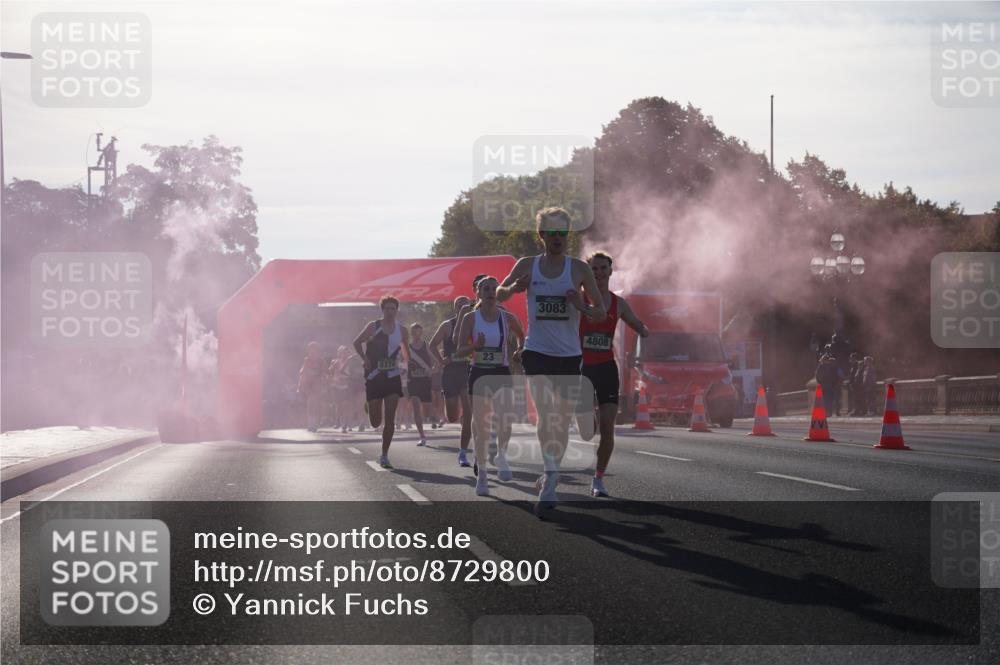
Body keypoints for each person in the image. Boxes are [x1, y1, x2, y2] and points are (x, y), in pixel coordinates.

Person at [496, 206, 606, 513]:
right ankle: (552, 478)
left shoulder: (579, 270)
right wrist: (513, 287)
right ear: (542, 234)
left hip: (569, 355)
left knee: (561, 420)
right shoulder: (527, 265)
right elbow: (501, 293)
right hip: (537, 351)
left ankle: (550, 473)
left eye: (563, 233)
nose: (557, 238)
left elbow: (600, 310)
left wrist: (580, 305)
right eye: (552, 233)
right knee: (545, 415)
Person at [577, 251, 649, 497]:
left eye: (602, 269)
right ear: (588, 272)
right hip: (582, 369)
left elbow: (635, 322)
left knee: (608, 426)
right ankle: (590, 418)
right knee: (588, 430)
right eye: (593, 269)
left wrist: (643, 330)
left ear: (610, 272)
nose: (598, 273)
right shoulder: (579, 298)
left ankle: (598, 478)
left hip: (607, 367)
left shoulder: (618, 303)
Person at [455, 276, 525, 495]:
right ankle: (483, 475)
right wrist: (475, 346)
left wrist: (519, 350)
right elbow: (459, 351)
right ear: (478, 293)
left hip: (501, 372)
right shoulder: (470, 318)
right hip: (479, 372)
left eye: (495, 288)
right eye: (486, 288)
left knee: (506, 417)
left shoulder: (507, 318)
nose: (491, 292)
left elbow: (522, 335)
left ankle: (501, 455)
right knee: (482, 425)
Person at [353, 295, 409, 468]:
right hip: (374, 376)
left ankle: (384, 454)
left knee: (390, 418)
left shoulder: (402, 330)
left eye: (393, 309)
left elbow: (406, 353)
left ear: (397, 310)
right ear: (382, 310)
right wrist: (364, 358)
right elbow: (356, 342)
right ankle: (370, 405)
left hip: (392, 377)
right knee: (375, 422)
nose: (390, 312)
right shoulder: (373, 326)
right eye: (387, 309)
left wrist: (407, 369)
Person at [429, 296, 474, 466]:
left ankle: (463, 453)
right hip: (450, 374)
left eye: (466, 305)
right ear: (455, 309)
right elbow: (432, 344)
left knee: (469, 412)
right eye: (460, 306)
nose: (463, 308)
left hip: (467, 371)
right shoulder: (447, 325)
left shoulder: (474, 324)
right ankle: (459, 413)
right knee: (453, 416)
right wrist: (441, 361)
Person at [407, 322, 435, 446]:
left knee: (426, 410)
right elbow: (402, 362)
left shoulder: (426, 345)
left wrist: (434, 369)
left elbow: (435, 358)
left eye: (419, 331)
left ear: (421, 332)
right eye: (414, 332)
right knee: (416, 407)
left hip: (425, 380)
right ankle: (422, 436)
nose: (417, 334)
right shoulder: (407, 347)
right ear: (411, 333)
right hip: (413, 380)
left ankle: (428, 418)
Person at [297, 341, 326, 432]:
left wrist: (323, 379)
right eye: (310, 348)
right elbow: (303, 371)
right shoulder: (307, 359)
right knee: (310, 404)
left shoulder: (321, 360)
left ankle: (315, 423)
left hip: (317, 384)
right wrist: (300, 383)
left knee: (316, 404)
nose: (311, 350)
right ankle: (311, 423)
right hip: (309, 384)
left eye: (313, 348)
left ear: (317, 349)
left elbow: (325, 371)